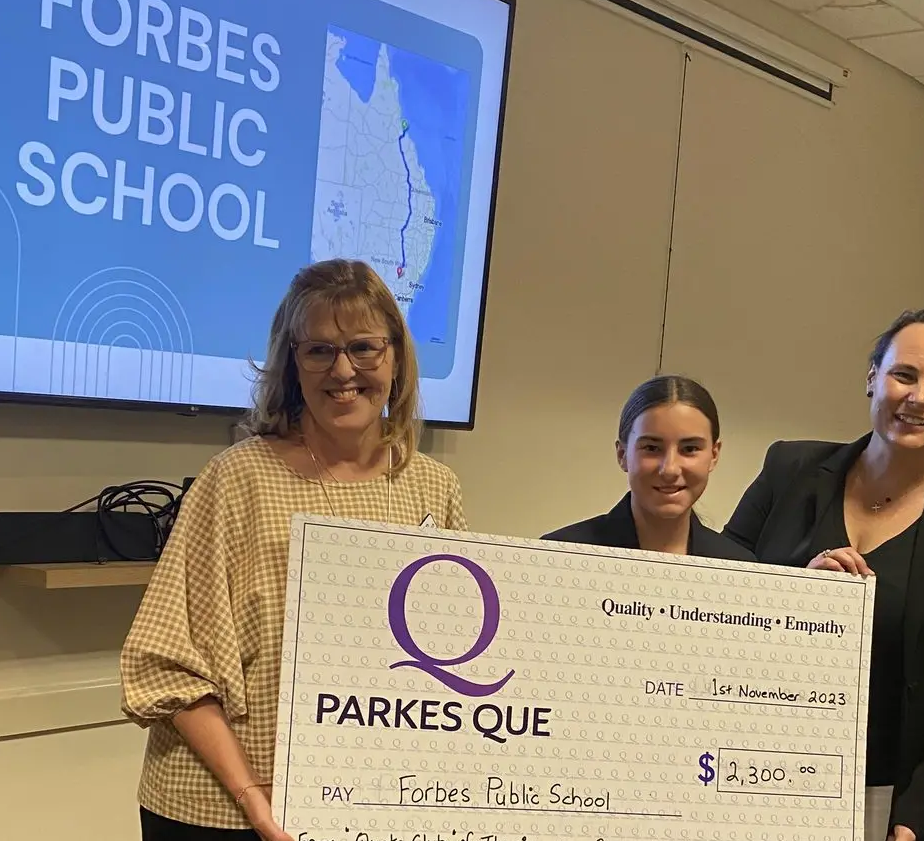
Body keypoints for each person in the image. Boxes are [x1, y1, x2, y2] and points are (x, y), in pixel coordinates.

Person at [120, 258, 468, 841]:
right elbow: (167, 663)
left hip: (357, 807)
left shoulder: (434, 487)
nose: (343, 370)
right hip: (218, 811)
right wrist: (256, 800)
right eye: (319, 351)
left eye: (363, 348)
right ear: (292, 364)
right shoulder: (237, 479)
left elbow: (446, 664)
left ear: (396, 359)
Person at [722, 308, 924, 841]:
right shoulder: (789, 470)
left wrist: (915, 819)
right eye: (904, 375)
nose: (919, 397)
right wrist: (801, 592)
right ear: (872, 377)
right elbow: (720, 595)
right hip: (754, 769)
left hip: (893, 798)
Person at [545, 374, 754, 561]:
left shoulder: (738, 569)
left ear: (714, 455)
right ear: (622, 454)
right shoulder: (559, 557)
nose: (670, 469)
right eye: (652, 448)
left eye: (689, 448)